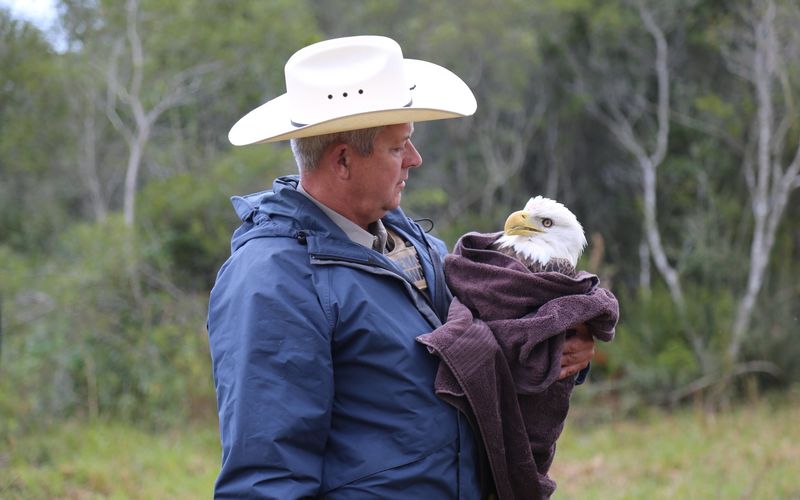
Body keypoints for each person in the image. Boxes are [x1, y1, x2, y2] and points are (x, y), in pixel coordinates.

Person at [207, 35, 595, 499]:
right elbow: (267, 478)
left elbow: (487, 349)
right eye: (398, 147)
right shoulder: (272, 280)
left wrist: (560, 346)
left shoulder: (418, 246)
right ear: (344, 160)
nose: (415, 159)